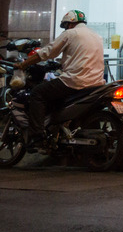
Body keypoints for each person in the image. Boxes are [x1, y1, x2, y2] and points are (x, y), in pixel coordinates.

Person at [17, 10, 105, 151]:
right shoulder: (96, 36)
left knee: (37, 93)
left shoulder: (69, 34)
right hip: (96, 82)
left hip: (75, 81)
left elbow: (46, 53)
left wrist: (23, 64)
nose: (65, 28)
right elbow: (80, 57)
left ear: (69, 24)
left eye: (65, 26)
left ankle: (37, 136)